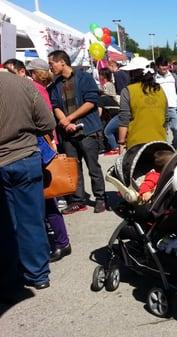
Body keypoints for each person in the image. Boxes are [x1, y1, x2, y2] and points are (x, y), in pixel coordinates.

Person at [0, 70, 56, 299]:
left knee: (5, 225)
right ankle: (38, 275)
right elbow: (47, 122)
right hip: (25, 157)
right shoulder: (23, 84)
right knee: (31, 219)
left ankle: (9, 280)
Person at [24, 59, 72, 262]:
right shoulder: (38, 88)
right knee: (43, 199)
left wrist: (51, 141)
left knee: (44, 199)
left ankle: (59, 241)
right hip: (40, 147)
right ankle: (58, 241)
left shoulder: (33, 89)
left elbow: (46, 120)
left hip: (38, 148)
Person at [48, 50, 106, 214]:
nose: (50, 67)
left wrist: (70, 118)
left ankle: (100, 198)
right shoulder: (55, 85)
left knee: (93, 167)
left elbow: (91, 102)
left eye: (52, 63)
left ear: (62, 62)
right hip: (67, 133)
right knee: (73, 168)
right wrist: (64, 122)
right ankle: (78, 200)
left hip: (87, 130)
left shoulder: (84, 78)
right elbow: (55, 106)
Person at [117, 57, 168, 150]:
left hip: (137, 144)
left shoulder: (128, 91)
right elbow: (166, 116)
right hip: (160, 141)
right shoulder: (160, 90)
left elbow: (124, 119)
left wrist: (121, 142)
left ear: (133, 73)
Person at [155, 56, 177, 149]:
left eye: (166, 65)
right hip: (160, 109)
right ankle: (166, 147)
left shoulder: (173, 76)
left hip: (174, 107)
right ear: (157, 66)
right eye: (162, 65)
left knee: (176, 128)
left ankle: (176, 143)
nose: (164, 67)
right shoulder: (154, 78)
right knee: (164, 130)